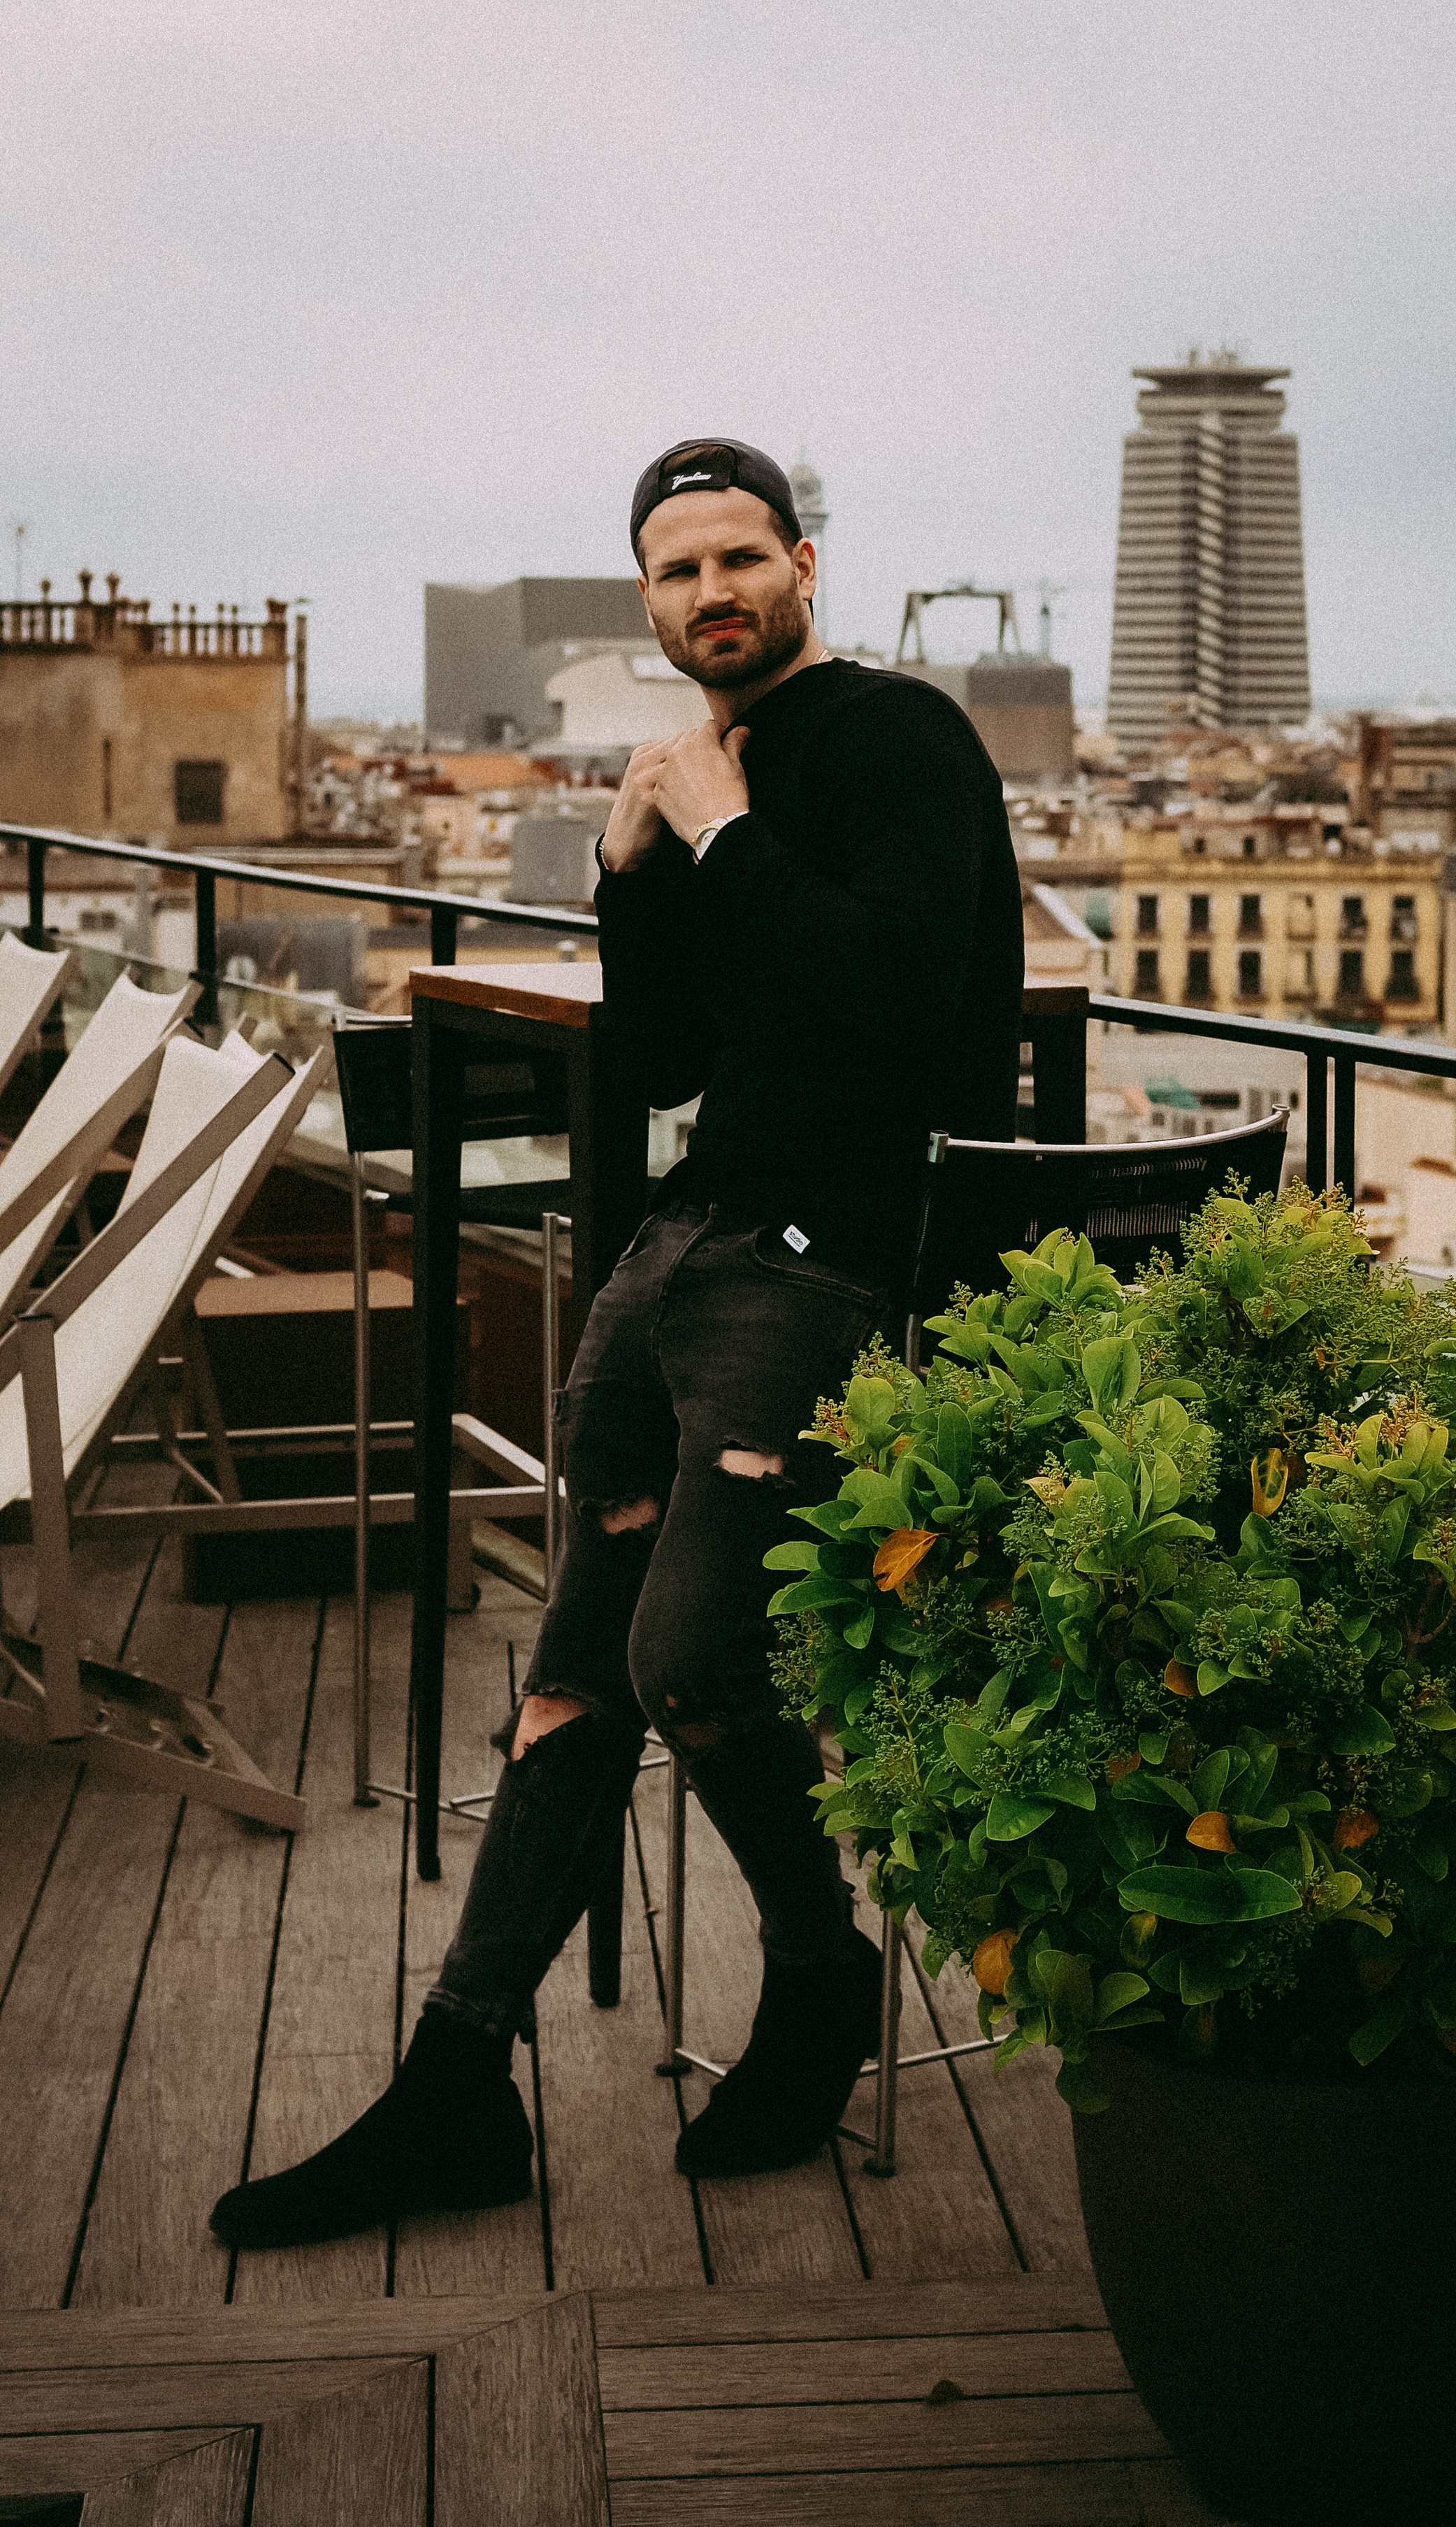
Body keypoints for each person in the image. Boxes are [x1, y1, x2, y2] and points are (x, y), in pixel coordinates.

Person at [209, 438, 1023, 2248]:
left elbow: (907, 1008)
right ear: (648, 601)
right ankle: (457, 2082)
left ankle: (817, 1974)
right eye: (676, 573)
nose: (711, 594)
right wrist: (633, 860)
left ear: (807, 566)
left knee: (689, 1654)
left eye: (741, 559)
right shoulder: (699, 768)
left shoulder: (898, 745)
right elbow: (658, 1055)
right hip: (686, 1241)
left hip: (827, 1257)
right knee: (578, 1664)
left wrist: (723, 827)